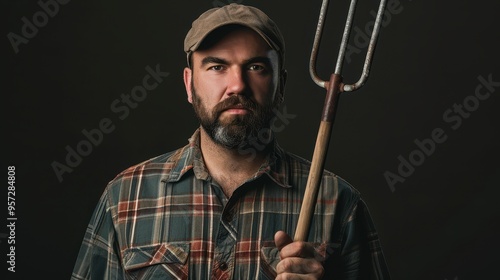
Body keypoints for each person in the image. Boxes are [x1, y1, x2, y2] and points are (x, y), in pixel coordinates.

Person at [71, 3, 390, 280]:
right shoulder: (125, 198)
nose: (237, 85)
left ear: (280, 85)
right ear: (188, 84)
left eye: (255, 66)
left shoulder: (338, 204)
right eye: (217, 67)